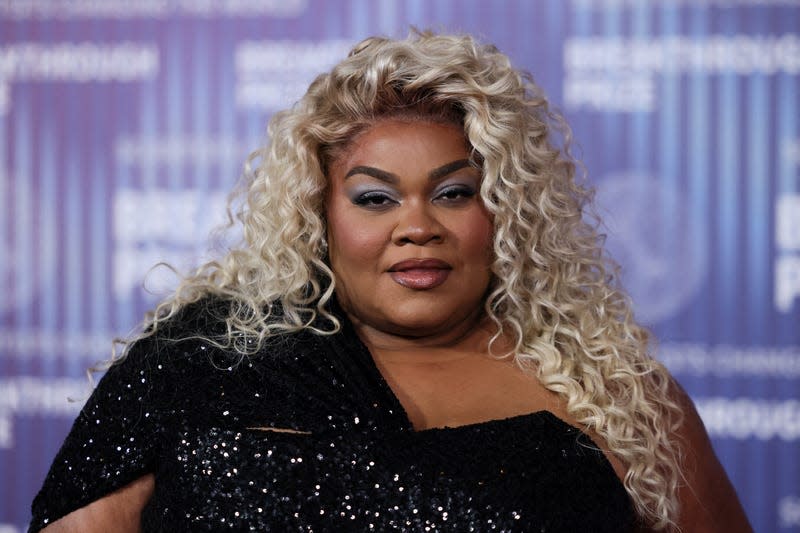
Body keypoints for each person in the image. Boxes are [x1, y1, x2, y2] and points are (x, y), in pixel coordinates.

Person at [30, 31, 751, 532]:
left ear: (508, 211)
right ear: (321, 214)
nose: (417, 226)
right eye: (375, 198)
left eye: (454, 192)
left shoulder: (618, 394)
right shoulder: (198, 361)